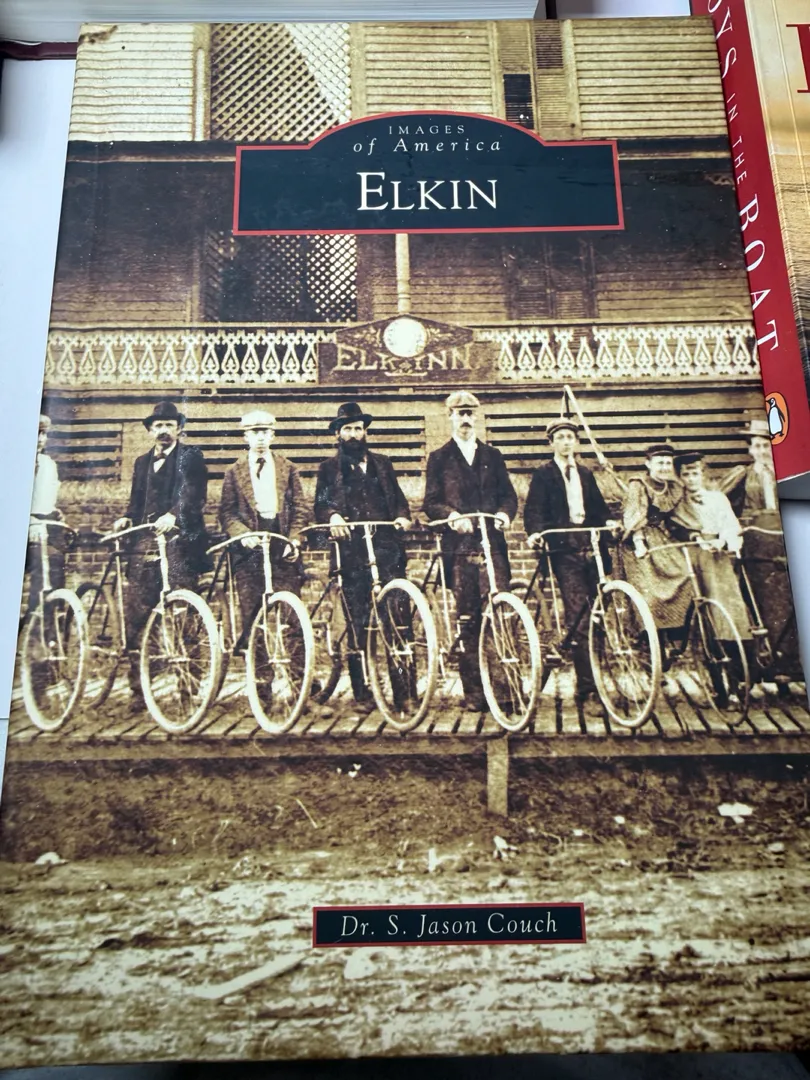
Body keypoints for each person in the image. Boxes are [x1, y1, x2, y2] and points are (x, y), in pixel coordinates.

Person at [423, 390, 517, 712]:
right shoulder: (439, 458)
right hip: (460, 549)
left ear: (476, 417)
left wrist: (504, 514)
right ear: (450, 416)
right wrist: (451, 516)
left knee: (499, 612)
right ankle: (475, 694)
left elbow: (508, 496)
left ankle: (505, 693)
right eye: (459, 413)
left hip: (492, 545)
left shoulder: (493, 455)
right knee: (469, 619)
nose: (465, 419)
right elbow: (431, 502)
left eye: (470, 413)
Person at [113, 401, 209, 714]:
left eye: (169, 424)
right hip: (145, 543)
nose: (163, 430)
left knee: (184, 614)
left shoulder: (191, 457)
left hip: (180, 543)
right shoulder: (142, 462)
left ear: (179, 429)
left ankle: (188, 688)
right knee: (139, 615)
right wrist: (127, 517)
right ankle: (139, 691)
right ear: (150, 430)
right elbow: (136, 500)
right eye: (158, 425)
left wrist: (173, 514)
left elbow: (193, 495)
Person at [314, 402, 411, 710]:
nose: (354, 434)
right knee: (357, 624)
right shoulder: (328, 469)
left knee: (397, 621)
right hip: (351, 554)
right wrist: (333, 516)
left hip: (386, 551)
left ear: (365, 431)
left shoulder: (383, 463)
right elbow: (321, 505)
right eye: (348, 429)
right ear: (338, 434)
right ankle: (362, 694)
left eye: (358, 428)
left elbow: (399, 500)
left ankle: (405, 694)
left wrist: (402, 517)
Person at [523, 416, 609, 709]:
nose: (565, 442)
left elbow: (598, 509)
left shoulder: (585, 473)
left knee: (597, 615)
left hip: (591, 548)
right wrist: (536, 533)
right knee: (580, 618)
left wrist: (610, 523)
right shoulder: (543, 474)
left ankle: (596, 680)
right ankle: (587, 691)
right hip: (563, 550)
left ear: (576, 442)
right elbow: (534, 511)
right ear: (551, 443)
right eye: (559, 437)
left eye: (570, 437)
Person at [719, 420, 801, 688]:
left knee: (790, 603)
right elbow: (718, 502)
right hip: (757, 546)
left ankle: (790, 665)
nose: (763, 451)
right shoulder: (742, 475)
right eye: (758, 446)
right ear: (750, 450)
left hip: (786, 543)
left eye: (767, 445)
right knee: (761, 603)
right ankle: (762, 665)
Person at [219, 409, 306, 643]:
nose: (260, 437)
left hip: (281, 543)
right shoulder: (233, 472)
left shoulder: (288, 468)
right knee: (253, 617)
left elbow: (300, 508)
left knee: (292, 614)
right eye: (254, 432)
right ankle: (257, 666)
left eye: (265, 432)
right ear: (245, 436)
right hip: (249, 550)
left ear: (272, 436)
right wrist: (242, 534)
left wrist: (294, 539)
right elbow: (226, 513)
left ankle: (299, 666)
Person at [669, 451, 752, 656]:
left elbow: (730, 524)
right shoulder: (677, 502)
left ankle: (737, 650)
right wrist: (699, 539)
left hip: (718, 555)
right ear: (679, 477)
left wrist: (723, 540)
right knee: (702, 597)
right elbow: (676, 528)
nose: (691, 479)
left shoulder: (717, 498)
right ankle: (708, 649)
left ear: (702, 475)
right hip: (691, 553)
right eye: (686, 475)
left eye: (695, 474)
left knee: (727, 598)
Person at [622, 443, 690, 635]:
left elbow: (678, 518)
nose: (664, 467)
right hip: (640, 541)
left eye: (668, 463)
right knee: (650, 590)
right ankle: (651, 635)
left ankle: (676, 630)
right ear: (648, 464)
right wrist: (639, 543)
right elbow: (633, 516)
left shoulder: (674, 487)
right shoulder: (638, 485)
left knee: (685, 575)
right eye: (659, 463)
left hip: (664, 540)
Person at [25, 414, 66, 611]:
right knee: (40, 566)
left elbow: (46, 497)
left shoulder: (48, 464)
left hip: (43, 527)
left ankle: (49, 620)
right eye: (37, 433)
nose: (41, 439)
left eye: (44, 434)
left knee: (55, 563)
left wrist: (53, 511)